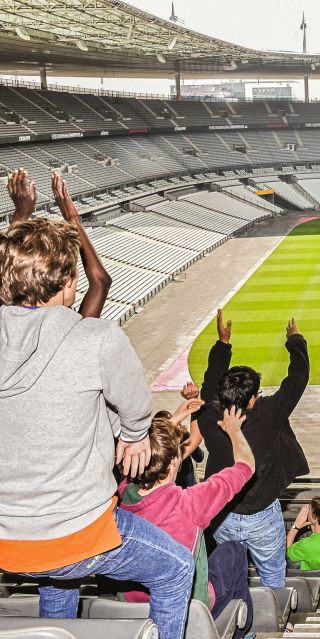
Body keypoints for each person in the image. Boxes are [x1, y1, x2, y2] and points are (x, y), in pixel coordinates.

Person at [0, 217, 193, 639]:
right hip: (75, 536)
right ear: (69, 283)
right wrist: (135, 433)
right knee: (178, 567)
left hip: (6, 541)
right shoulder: (97, 338)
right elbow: (137, 405)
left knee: (58, 577)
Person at [117, 405, 255, 639]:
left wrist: (173, 421)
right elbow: (246, 466)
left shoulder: (122, 496)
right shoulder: (191, 502)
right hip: (190, 607)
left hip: (132, 608)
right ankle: (243, 628)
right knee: (234, 550)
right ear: (173, 462)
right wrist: (233, 429)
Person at [196, 309, 310, 588]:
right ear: (249, 401)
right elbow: (298, 378)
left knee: (231, 572)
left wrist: (223, 345)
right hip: (261, 516)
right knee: (273, 574)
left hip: (221, 515)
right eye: (256, 394)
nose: (260, 397)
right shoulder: (268, 414)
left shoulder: (210, 415)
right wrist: (295, 341)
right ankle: (276, 622)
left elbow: (209, 385)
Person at [6, 169, 112, 318]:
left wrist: (21, 215)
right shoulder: (75, 333)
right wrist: (73, 220)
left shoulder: (6, 317)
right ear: (66, 282)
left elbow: (7, 268)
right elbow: (101, 281)